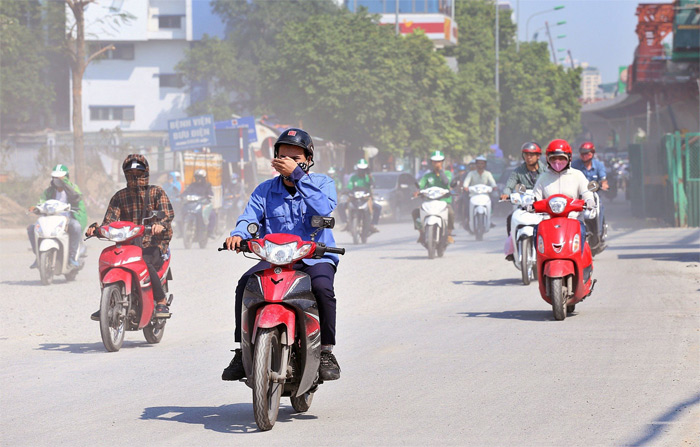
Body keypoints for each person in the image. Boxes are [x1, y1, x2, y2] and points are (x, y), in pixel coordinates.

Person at [221, 128, 342, 382]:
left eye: (295, 159)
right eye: (282, 158)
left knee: (322, 289)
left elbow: (324, 207)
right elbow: (249, 218)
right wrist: (238, 235)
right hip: (274, 259)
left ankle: (326, 350)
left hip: (313, 258)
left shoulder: (322, 184)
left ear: (308, 159)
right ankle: (242, 350)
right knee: (245, 285)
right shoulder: (264, 190)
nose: (287, 163)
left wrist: (297, 175)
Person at [86, 154, 174, 319]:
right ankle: (107, 304)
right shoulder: (119, 197)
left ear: (145, 172)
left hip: (152, 243)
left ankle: (161, 300)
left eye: (138, 173)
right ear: (125, 174)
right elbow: (109, 221)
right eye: (130, 173)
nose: (134, 176)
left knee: (145, 263)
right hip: (128, 245)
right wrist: (97, 229)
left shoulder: (156, 192)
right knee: (109, 260)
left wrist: (160, 225)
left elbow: (167, 215)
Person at [27, 164, 87, 269]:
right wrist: (36, 208)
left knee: (76, 226)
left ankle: (72, 257)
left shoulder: (73, 188)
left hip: (67, 219)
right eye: (55, 177)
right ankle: (38, 256)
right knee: (32, 228)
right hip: (50, 219)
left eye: (61, 177)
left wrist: (66, 185)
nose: (58, 179)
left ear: (67, 177)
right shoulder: (49, 191)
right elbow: (41, 202)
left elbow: (77, 198)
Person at [500, 142, 546, 246]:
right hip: (524, 206)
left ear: (538, 156)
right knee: (511, 218)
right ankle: (512, 247)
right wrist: (505, 194)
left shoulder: (546, 171)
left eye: (532, 155)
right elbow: (509, 185)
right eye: (526, 154)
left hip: (542, 207)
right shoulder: (517, 172)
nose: (528, 157)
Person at [532, 139, 595, 210]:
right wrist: (530, 203)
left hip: (573, 218)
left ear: (569, 158)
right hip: (548, 218)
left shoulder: (577, 175)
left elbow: (586, 193)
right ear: (548, 159)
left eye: (561, 158)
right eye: (553, 158)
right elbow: (535, 197)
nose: (557, 161)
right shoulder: (543, 177)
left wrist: (589, 200)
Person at [413, 150, 455, 244]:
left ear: (442, 162)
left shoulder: (447, 173)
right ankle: (421, 234)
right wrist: (417, 192)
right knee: (415, 212)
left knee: (451, 213)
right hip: (429, 201)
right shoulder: (427, 176)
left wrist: (440, 171)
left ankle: (449, 234)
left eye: (439, 161)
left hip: (444, 201)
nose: (437, 163)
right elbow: (421, 185)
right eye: (435, 162)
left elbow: (445, 182)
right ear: (431, 162)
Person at [345, 158, 381, 232]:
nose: (361, 171)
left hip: (366, 198)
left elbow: (372, 184)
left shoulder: (368, 177)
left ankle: (372, 225)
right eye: (360, 169)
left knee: (378, 207)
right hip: (355, 197)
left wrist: (369, 175)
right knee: (342, 205)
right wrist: (347, 191)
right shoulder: (353, 177)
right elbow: (349, 186)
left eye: (363, 169)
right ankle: (347, 222)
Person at [462, 155, 498, 230]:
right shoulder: (471, 174)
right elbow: (466, 183)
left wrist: (494, 186)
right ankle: (467, 220)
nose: (480, 165)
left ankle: (489, 218)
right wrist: (465, 187)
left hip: (485, 195)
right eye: (478, 163)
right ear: (476, 164)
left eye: (482, 163)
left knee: (493, 203)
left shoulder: (488, 174)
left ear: (485, 164)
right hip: (473, 195)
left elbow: (492, 183)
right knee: (467, 207)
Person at [182, 169, 217, 238]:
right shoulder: (192, 185)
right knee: (182, 210)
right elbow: (186, 192)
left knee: (212, 214)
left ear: (203, 178)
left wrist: (209, 195)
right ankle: (181, 230)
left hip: (204, 203)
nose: (198, 179)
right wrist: (182, 195)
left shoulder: (207, 185)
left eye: (200, 177)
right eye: (197, 177)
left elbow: (210, 193)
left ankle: (210, 232)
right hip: (193, 203)